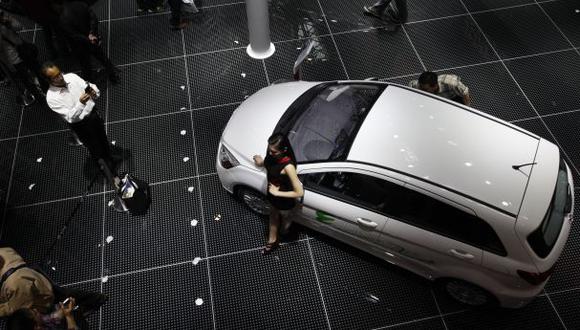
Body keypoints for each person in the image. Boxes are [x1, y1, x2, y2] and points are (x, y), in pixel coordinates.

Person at [42, 62, 119, 178]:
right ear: (49, 81)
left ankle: (109, 158)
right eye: (56, 77)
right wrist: (81, 103)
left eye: (60, 73)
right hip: (81, 126)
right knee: (94, 147)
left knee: (103, 138)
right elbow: (70, 117)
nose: (61, 77)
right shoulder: (52, 98)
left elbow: (89, 87)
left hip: (93, 115)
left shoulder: (72, 77)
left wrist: (94, 91)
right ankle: (104, 168)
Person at [0, 247, 107, 321]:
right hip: (35, 277)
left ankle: (87, 307)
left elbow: (21, 308)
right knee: (66, 293)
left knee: (63, 302)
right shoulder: (4, 251)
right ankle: (96, 299)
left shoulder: (15, 284)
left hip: (42, 296)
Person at [253, 133, 304, 255]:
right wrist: (261, 162)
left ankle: (282, 235)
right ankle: (273, 240)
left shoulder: (288, 167)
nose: (270, 154)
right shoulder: (272, 156)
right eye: (269, 150)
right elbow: (270, 165)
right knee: (273, 215)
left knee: (285, 220)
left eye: (274, 152)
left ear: (284, 150)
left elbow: (299, 192)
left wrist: (277, 192)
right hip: (272, 194)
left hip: (283, 199)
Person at [51, 0, 119, 83]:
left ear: (57, 5)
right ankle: (113, 75)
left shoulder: (62, 19)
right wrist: (92, 33)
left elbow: (74, 35)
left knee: (86, 66)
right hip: (93, 40)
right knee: (102, 58)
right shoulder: (80, 4)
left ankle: (90, 84)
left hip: (80, 46)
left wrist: (88, 39)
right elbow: (93, 18)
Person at [0, 10, 46, 106]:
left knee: (36, 71)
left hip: (22, 52)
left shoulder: (5, 19)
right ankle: (40, 97)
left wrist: (9, 22)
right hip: (15, 58)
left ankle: (44, 90)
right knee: (28, 78)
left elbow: (19, 26)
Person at [6, 298, 79, 330]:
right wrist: (69, 316)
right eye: (35, 313)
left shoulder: (39, 322)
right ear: (36, 327)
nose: (36, 310)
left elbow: (51, 318)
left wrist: (63, 309)